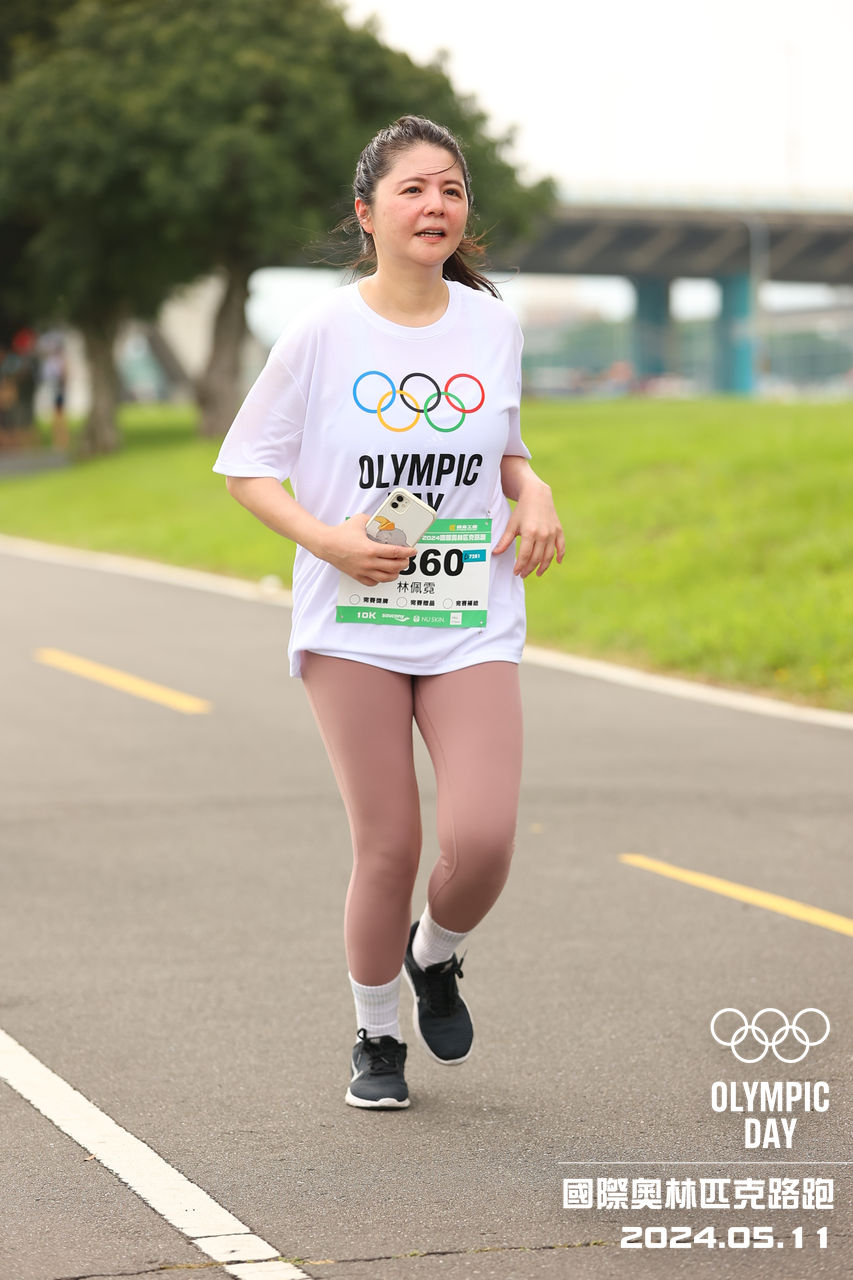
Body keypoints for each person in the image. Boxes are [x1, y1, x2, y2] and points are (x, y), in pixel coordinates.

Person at [213, 115, 564, 1109]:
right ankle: (376, 1033)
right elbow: (246, 468)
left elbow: (502, 448)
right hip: (353, 621)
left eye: (450, 188)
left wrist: (534, 489)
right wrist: (326, 540)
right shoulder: (323, 331)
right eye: (413, 189)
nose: (435, 205)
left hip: (467, 614)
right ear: (366, 213)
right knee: (391, 845)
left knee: (483, 839)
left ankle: (434, 953)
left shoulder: (491, 326)